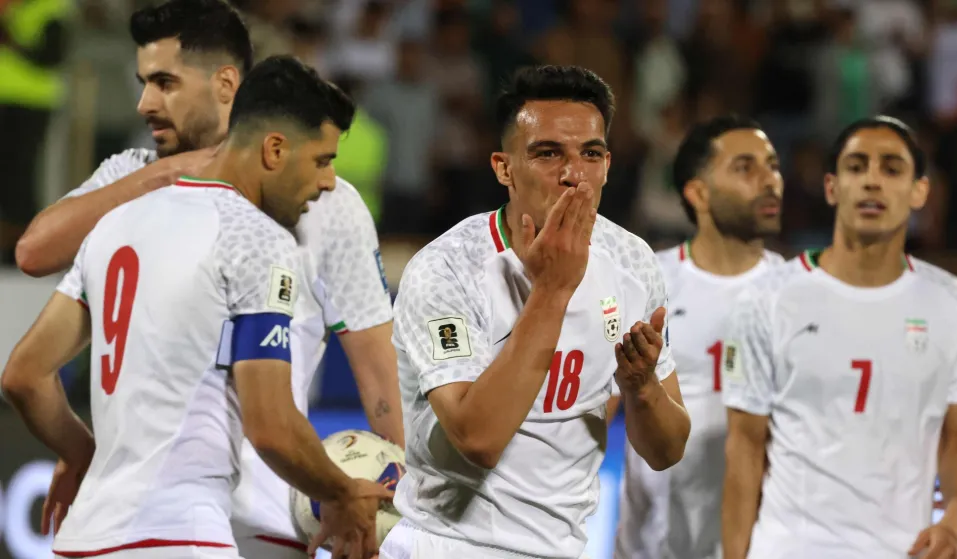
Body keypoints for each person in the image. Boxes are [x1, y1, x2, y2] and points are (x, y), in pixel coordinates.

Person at [13, 1, 403, 557]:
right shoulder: (131, 183)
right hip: (183, 519)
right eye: (144, 82)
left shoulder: (327, 200)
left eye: (165, 82)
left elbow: (375, 366)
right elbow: (33, 250)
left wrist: (379, 496)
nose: (145, 102)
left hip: (263, 510)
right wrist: (164, 175)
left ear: (226, 84)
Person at [379, 64, 691, 559]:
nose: (573, 174)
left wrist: (642, 388)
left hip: (562, 548)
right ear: (504, 168)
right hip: (448, 543)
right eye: (548, 153)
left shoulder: (631, 262)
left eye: (590, 154)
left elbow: (667, 450)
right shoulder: (447, 269)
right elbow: (477, 438)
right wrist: (554, 289)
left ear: (608, 165)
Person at [721, 116, 957, 559]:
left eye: (891, 169)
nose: (872, 181)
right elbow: (744, 451)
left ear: (920, 191)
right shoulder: (766, 299)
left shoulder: (955, 305)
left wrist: (956, 516)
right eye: (857, 167)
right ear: (832, 187)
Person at [614, 115, 784, 559]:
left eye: (773, 165)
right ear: (698, 193)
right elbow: (594, 411)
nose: (770, 181)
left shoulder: (800, 296)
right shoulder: (646, 283)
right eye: (745, 168)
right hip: (654, 545)